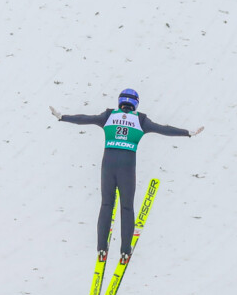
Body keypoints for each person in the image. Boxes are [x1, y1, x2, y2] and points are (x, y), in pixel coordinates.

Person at [50, 88, 204, 264]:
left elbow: (85, 119)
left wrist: (62, 117)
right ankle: (125, 250)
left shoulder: (108, 116)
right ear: (136, 103)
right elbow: (164, 129)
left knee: (106, 204)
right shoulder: (141, 120)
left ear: (119, 101)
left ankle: (101, 247)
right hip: (127, 167)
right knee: (127, 208)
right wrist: (187, 133)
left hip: (108, 165)